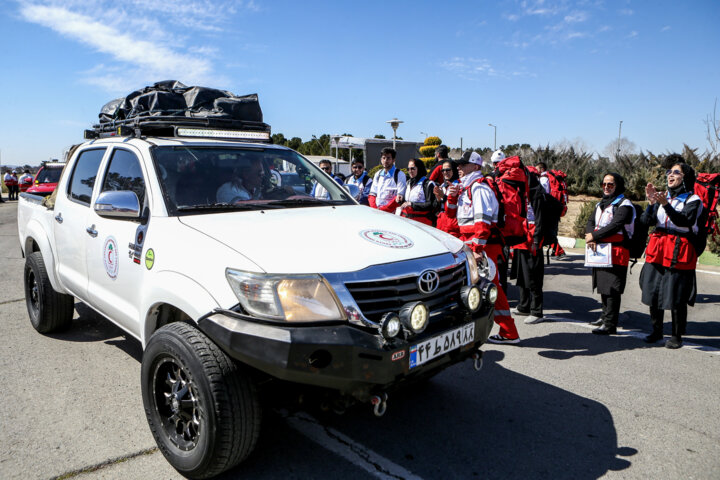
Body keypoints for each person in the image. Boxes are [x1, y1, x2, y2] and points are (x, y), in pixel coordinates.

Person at [445, 151, 520, 344]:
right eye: (458, 164)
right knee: (474, 287)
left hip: (483, 246)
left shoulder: (479, 188)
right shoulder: (465, 187)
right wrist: (451, 198)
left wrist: (478, 250)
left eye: (463, 164)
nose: (458, 168)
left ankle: (509, 332)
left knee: (490, 287)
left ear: (476, 167)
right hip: (470, 244)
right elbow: (452, 216)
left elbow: (483, 222)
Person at [640, 157, 702, 349]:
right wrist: (651, 203)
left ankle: (676, 335)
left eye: (676, 173)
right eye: (669, 172)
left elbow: (684, 221)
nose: (670, 176)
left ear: (685, 178)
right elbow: (645, 221)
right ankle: (656, 330)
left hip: (678, 250)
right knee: (653, 289)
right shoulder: (661, 197)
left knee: (676, 293)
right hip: (658, 248)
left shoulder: (693, 200)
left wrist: (665, 204)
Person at [584, 173, 635, 335]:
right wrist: (590, 235)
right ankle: (605, 316)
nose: (606, 187)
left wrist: (595, 236)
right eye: (604, 184)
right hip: (601, 250)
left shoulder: (624, 204)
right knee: (603, 285)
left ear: (617, 186)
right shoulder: (601, 204)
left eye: (610, 184)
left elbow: (616, 225)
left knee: (612, 288)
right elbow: (591, 222)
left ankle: (610, 323)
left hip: (617, 251)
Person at [513, 168, 547, 324]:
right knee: (522, 274)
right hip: (521, 238)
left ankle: (536, 311)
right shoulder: (521, 193)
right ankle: (523, 305)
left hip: (532, 239)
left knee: (534, 276)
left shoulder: (538, 195)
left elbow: (541, 220)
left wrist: (536, 239)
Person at [537, 161, 569, 260]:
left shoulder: (543, 179)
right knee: (551, 231)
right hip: (556, 208)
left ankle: (559, 251)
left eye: (537, 169)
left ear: (542, 169)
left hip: (549, 209)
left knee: (547, 231)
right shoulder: (552, 178)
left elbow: (544, 195)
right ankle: (556, 251)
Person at [399, 159, 437, 225]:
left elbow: (431, 204)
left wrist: (412, 204)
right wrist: (401, 200)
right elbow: (407, 202)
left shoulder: (428, 184)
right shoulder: (408, 183)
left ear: (419, 168)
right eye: (408, 169)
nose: (410, 171)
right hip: (407, 220)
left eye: (413, 169)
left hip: (422, 222)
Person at [368, 147, 407, 212]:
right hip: (377, 212)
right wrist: (375, 209)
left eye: (388, 158)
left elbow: (399, 197)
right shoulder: (378, 174)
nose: (385, 160)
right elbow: (372, 194)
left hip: (392, 213)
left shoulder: (400, 175)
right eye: (383, 158)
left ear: (393, 160)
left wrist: (383, 209)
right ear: (381, 159)